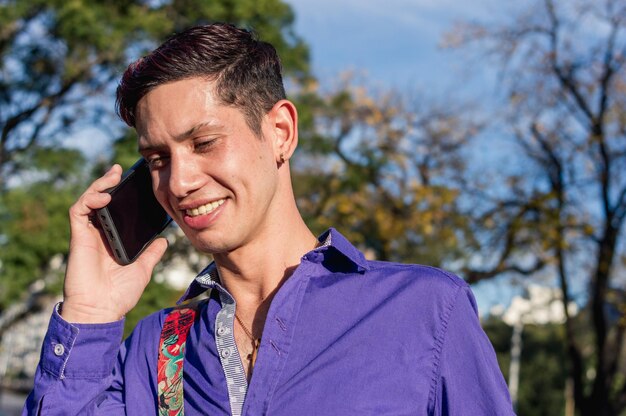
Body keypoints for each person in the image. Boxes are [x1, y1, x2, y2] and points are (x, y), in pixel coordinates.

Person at [23, 23, 515, 415]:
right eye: (157, 159)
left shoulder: (423, 312)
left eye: (204, 143)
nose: (177, 182)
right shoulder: (156, 349)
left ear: (280, 132)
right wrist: (90, 313)